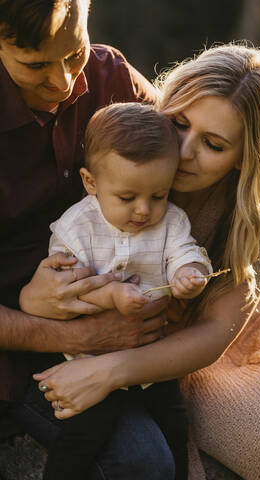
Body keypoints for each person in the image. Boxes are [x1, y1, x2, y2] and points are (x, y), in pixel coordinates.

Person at [34, 44, 260, 480]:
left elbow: (216, 333)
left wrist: (108, 372)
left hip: (232, 334)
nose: (184, 151)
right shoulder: (125, 155)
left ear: (246, 155)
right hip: (139, 327)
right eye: (179, 124)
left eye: (213, 144)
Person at [0, 0, 176, 478]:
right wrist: (73, 335)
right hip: (15, 339)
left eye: (74, 53)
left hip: (112, 326)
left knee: (156, 454)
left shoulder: (109, 76)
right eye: (35, 64)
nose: (64, 82)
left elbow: (193, 136)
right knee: (138, 462)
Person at [38, 101, 213, 480]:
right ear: (91, 182)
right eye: (127, 197)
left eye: (158, 195)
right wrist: (110, 297)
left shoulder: (170, 221)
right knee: (86, 433)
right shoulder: (76, 227)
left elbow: (184, 252)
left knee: (175, 422)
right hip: (88, 357)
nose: (144, 210)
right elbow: (66, 290)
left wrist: (188, 273)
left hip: (150, 359)